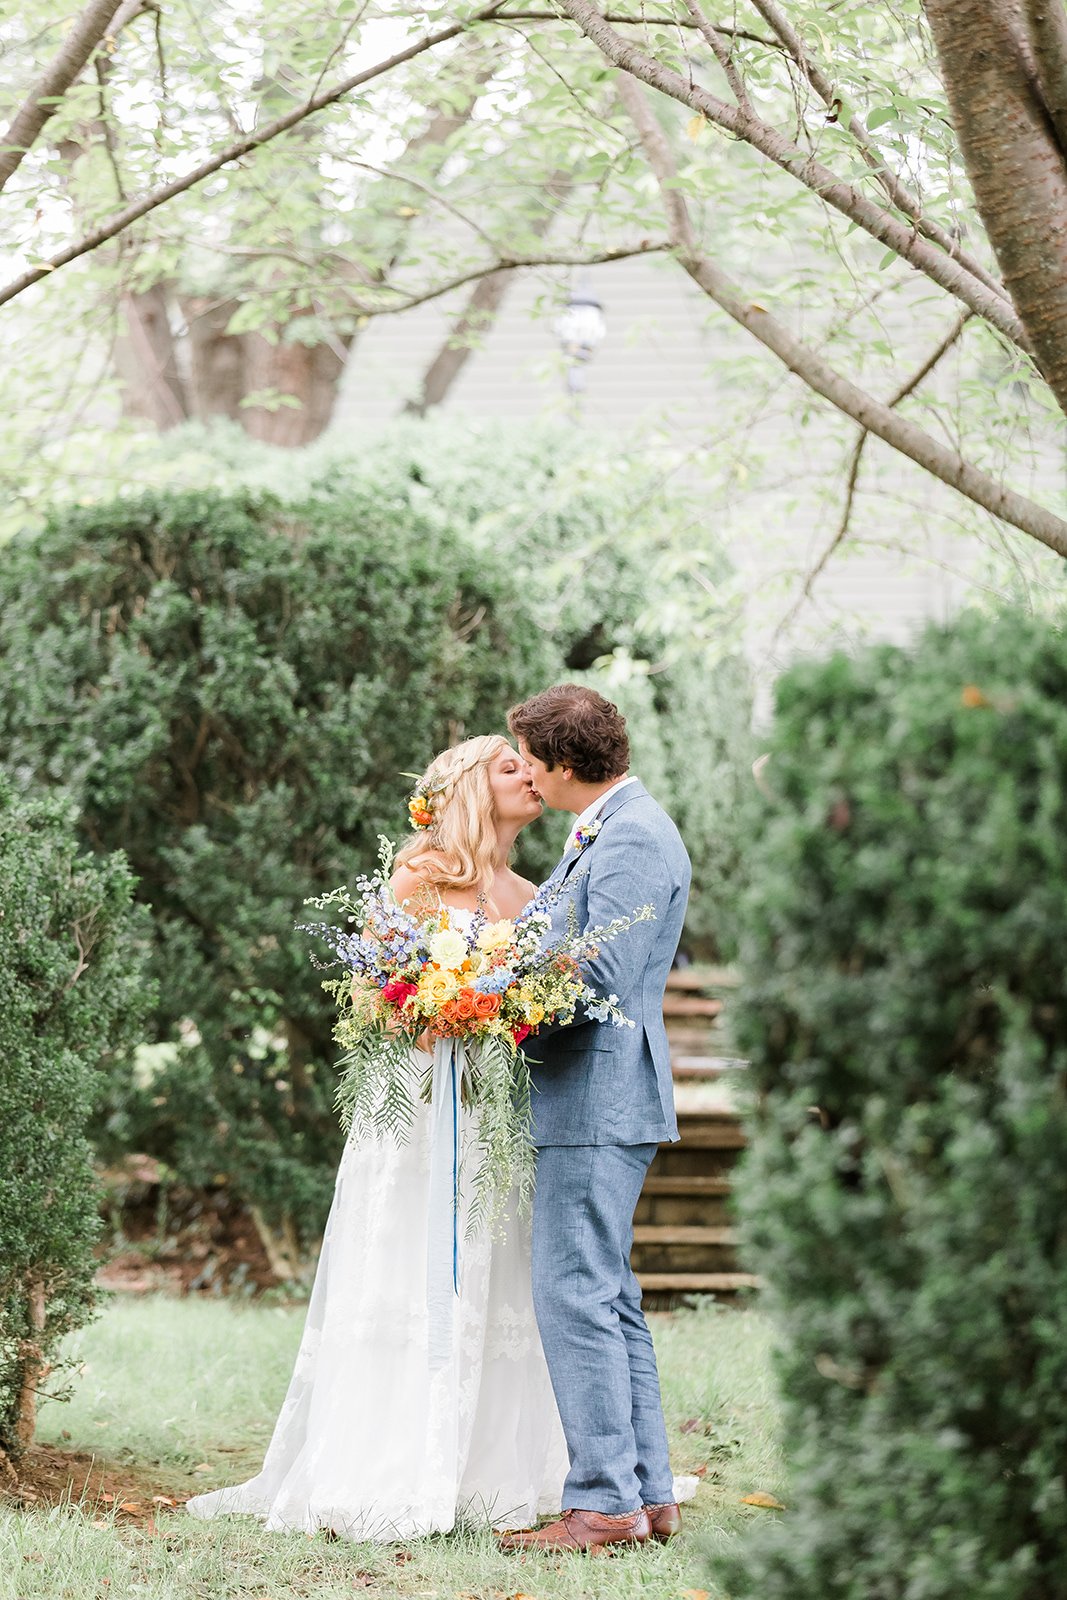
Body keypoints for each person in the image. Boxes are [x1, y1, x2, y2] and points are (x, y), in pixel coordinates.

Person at [186, 735, 569, 1540]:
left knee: (493, 1258)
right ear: (467, 786)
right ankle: (388, 1457)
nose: (529, 777)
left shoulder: (532, 892)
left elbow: (539, 1002)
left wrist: (505, 1014)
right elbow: (375, 991)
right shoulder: (419, 876)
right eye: (510, 767)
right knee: (405, 1255)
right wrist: (434, 1010)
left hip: (489, 1103)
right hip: (417, 1100)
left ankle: (488, 1467)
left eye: (531, 768)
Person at [501, 684, 692, 1555]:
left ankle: (603, 1504)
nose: (528, 781)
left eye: (533, 764)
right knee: (608, 1298)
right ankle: (644, 1497)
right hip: (593, 1095)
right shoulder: (611, 828)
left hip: (595, 1095)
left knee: (574, 1296)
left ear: (566, 765)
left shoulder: (635, 837)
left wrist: (489, 1011)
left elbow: (597, 976)